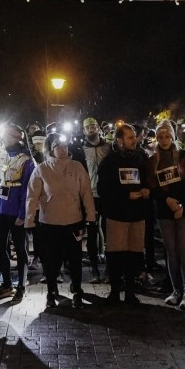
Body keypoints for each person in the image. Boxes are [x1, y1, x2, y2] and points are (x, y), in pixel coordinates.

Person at [26, 131, 94, 308]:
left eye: (65, 146)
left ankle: (77, 290)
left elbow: (86, 192)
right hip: (49, 222)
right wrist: (29, 219)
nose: (63, 150)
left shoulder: (77, 167)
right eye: (58, 147)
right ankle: (51, 290)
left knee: (75, 258)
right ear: (51, 149)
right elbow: (32, 196)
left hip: (73, 221)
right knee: (51, 260)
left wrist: (90, 215)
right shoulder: (42, 169)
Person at [96, 123, 152, 305]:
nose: (134, 140)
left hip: (137, 215)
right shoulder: (109, 162)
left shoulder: (141, 159)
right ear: (120, 141)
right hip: (117, 216)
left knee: (134, 254)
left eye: (134, 137)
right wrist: (126, 195)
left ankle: (130, 291)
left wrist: (147, 190)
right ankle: (114, 291)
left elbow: (149, 180)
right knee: (116, 255)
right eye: (130, 137)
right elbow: (103, 189)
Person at [148, 121, 185, 310]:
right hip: (164, 210)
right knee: (171, 251)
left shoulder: (184, 156)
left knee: (184, 249)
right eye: (160, 137)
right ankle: (176, 290)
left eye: (167, 136)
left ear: (172, 136)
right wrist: (167, 200)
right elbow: (152, 186)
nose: (164, 140)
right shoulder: (153, 160)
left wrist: (180, 204)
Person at [0, 125, 34, 300]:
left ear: (17, 138)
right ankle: (7, 284)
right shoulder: (1, 155)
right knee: (0, 247)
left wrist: (23, 214)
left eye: (7, 137)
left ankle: (21, 285)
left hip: (15, 210)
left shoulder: (27, 161)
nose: (4, 140)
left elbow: (27, 191)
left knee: (21, 249)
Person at [79, 117, 111, 284]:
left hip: (107, 195)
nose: (91, 130)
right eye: (88, 127)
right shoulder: (81, 150)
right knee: (91, 233)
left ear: (98, 128)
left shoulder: (109, 147)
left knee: (108, 230)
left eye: (93, 127)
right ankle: (94, 269)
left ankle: (109, 269)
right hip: (89, 195)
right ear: (84, 131)